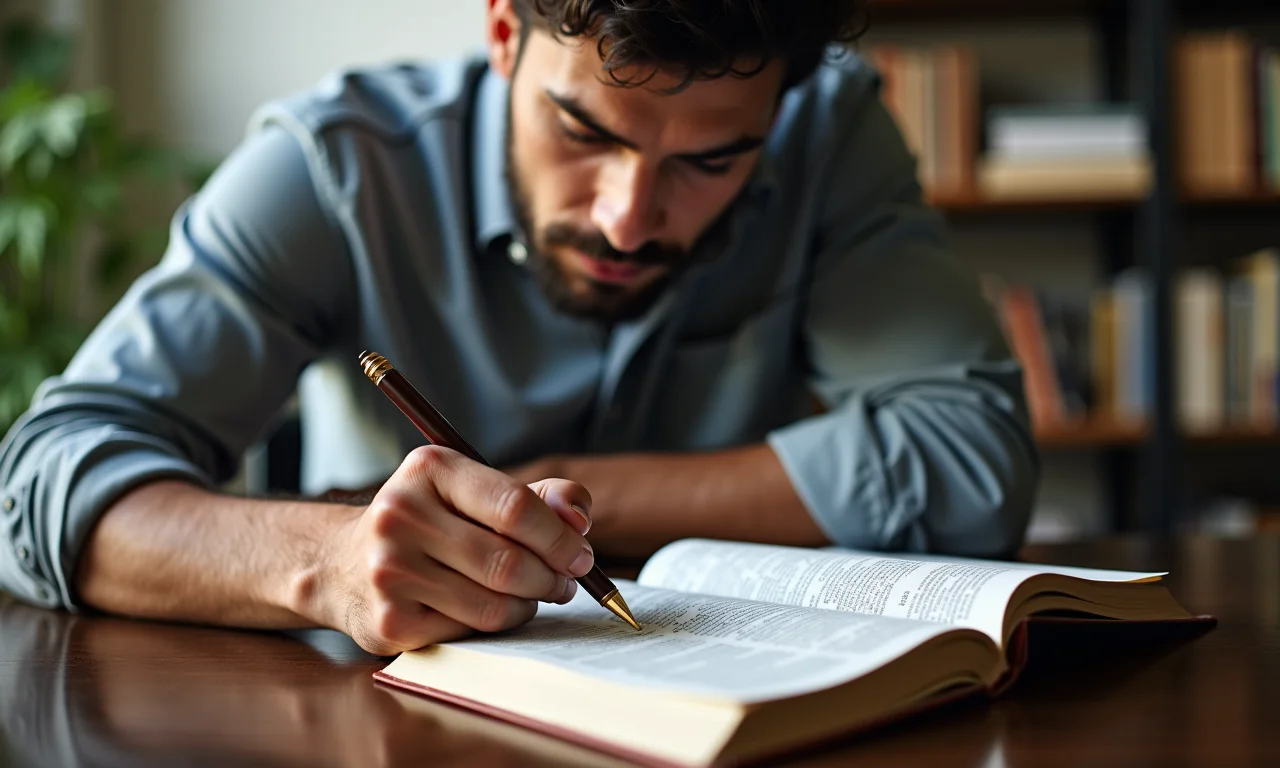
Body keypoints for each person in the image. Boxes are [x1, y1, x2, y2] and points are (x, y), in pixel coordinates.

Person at [0, 0, 1039, 655]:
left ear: (780, 108)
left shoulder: (827, 130)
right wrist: (330, 557)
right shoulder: (340, 165)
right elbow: (41, 480)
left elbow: (970, 456)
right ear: (503, 32)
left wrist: (550, 488)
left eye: (711, 161)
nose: (629, 217)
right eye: (582, 130)